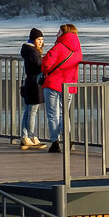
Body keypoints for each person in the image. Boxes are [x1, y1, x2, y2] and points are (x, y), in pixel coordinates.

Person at [40, 23, 82, 153]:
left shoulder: (58, 47)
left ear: (64, 33)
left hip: (53, 84)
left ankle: (55, 142)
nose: (56, 34)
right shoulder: (78, 49)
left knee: (53, 114)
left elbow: (46, 64)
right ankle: (67, 139)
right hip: (69, 85)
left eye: (58, 32)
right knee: (65, 113)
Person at [18, 28, 46, 149]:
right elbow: (40, 66)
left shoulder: (28, 50)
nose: (41, 42)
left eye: (42, 39)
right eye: (38, 39)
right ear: (33, 40)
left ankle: (25, 137)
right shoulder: (33, 52)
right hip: (35, 84)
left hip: (30, 82)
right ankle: (31, 136)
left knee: (28, 111)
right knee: (32, 112)